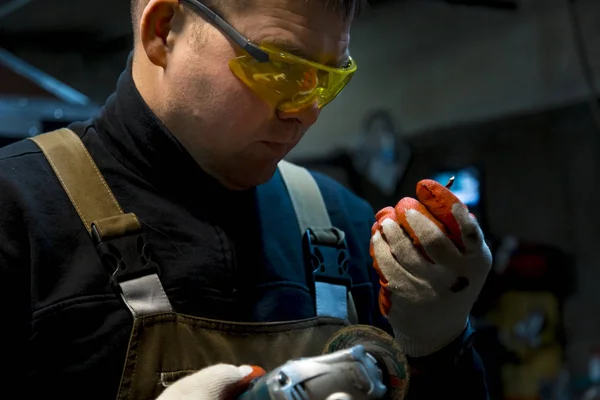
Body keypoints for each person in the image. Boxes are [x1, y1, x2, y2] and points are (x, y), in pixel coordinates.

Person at [0, 0, 492, 399]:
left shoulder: (338, 221)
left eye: (328, 78)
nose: (308, 112)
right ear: (164, 29)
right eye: (279, 68)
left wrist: (437, 345)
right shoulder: (17, 210)